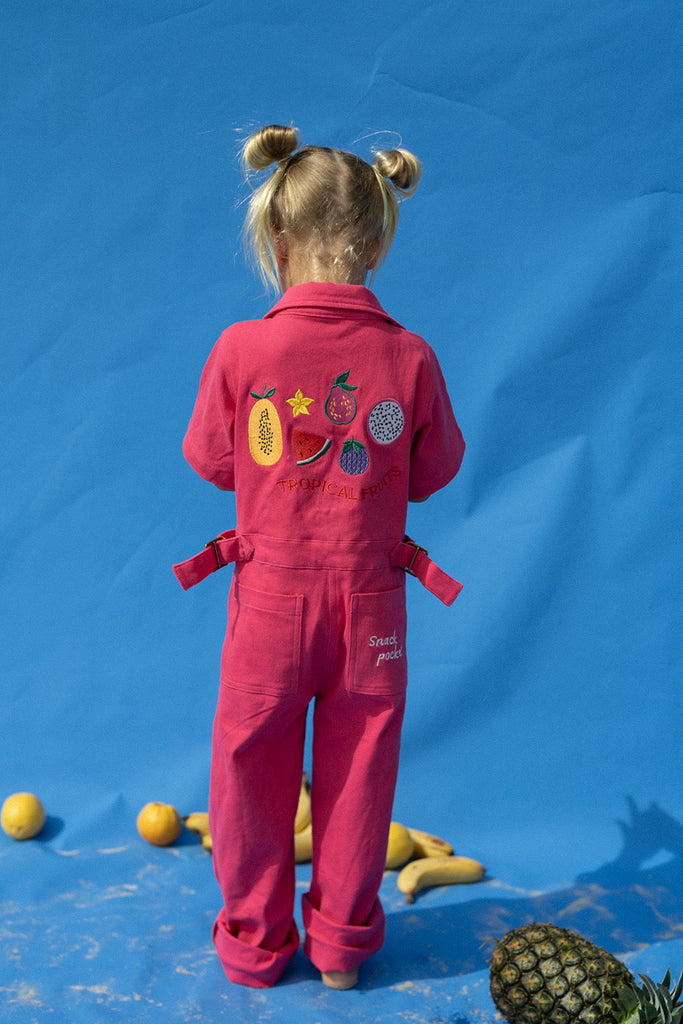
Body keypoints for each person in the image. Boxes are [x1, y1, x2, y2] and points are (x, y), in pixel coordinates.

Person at [173, 124, 465, 990]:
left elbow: (211, 459)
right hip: (371, 608)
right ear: (377, 244)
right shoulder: (410, 357)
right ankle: (340, 948)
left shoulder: (241, 349)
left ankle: (255, 945)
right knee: (361, 766)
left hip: (269, 603)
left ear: (276, 237)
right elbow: (433, 473)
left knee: (248, 764)